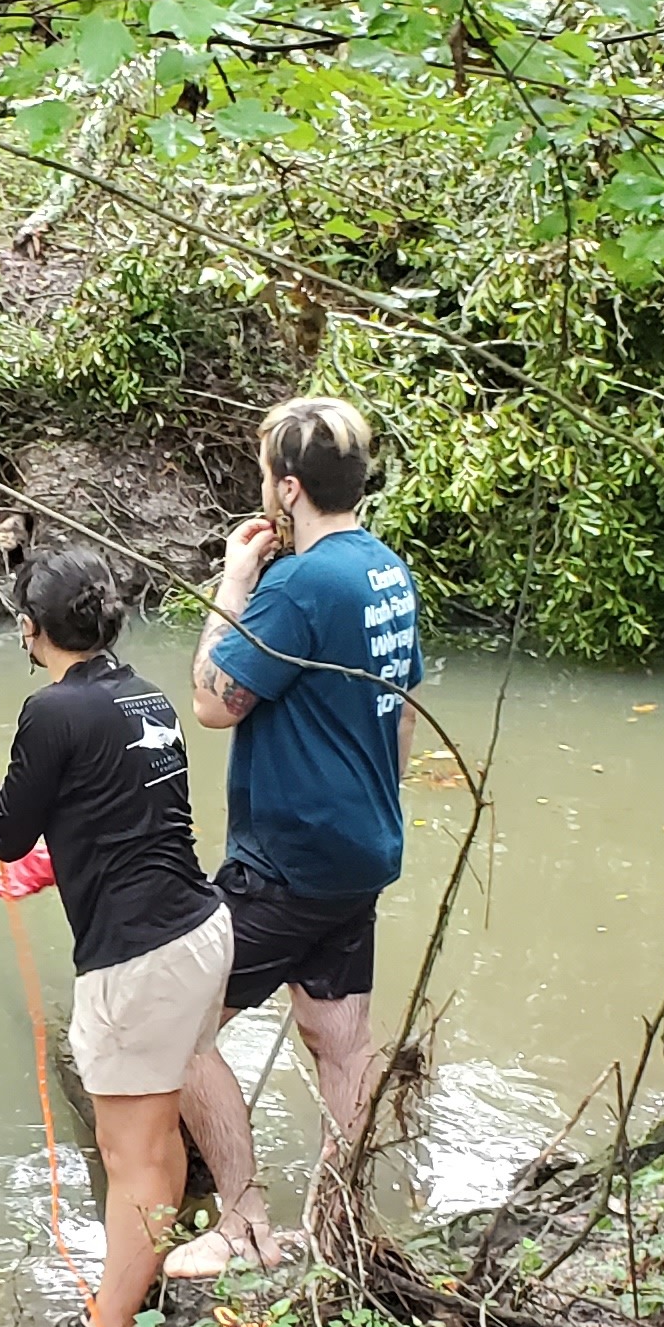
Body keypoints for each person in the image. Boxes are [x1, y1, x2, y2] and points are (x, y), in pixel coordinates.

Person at [0, 544, 234, 1327]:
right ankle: (141, 1291)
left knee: (131, 1154)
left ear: (29, 628)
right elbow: (119, 809)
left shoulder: (52, 711)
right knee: (154, 1139)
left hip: (138, 959)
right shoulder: (146, 696)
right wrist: (58, 858)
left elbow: (8, 829)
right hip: (200, 930)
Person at [170, 396, 421, 1272]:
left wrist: (234, 585)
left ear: (285, 489)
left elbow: (211, 701)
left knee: (177, 1030)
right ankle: (338, 1218)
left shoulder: (299, 585)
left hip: (289, 861)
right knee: (339, 1037)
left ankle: (241, 1228)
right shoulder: (386, 570)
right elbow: (402, 714)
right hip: (363, 850)